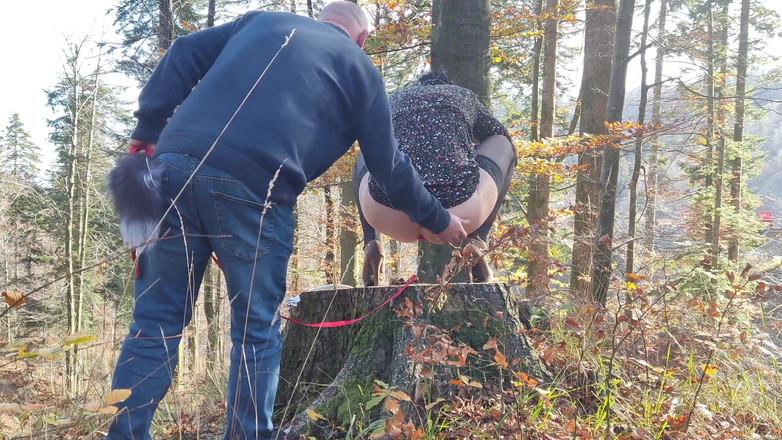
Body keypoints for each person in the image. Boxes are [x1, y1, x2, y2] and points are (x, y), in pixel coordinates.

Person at [105, 3, 470, 440]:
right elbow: (388, 166)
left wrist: (148, 129)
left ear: (324, 21)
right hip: (257, 189)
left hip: (170, 169)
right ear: (361, 39)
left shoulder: (261, 21)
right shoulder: (362, 71)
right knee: (254, 329)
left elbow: (183, 50)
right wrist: (437, 218)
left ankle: (123, 434)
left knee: (156, 321)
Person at [352, 71, 517, 286]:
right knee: (503, 144)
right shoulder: (462, 95)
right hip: (461, 213)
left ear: (417, 86)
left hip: (385, 213)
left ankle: (372, 242)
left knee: (365, 154)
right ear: (447, 85)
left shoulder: (393, 99)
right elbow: (495, 133)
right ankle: (477, 241)